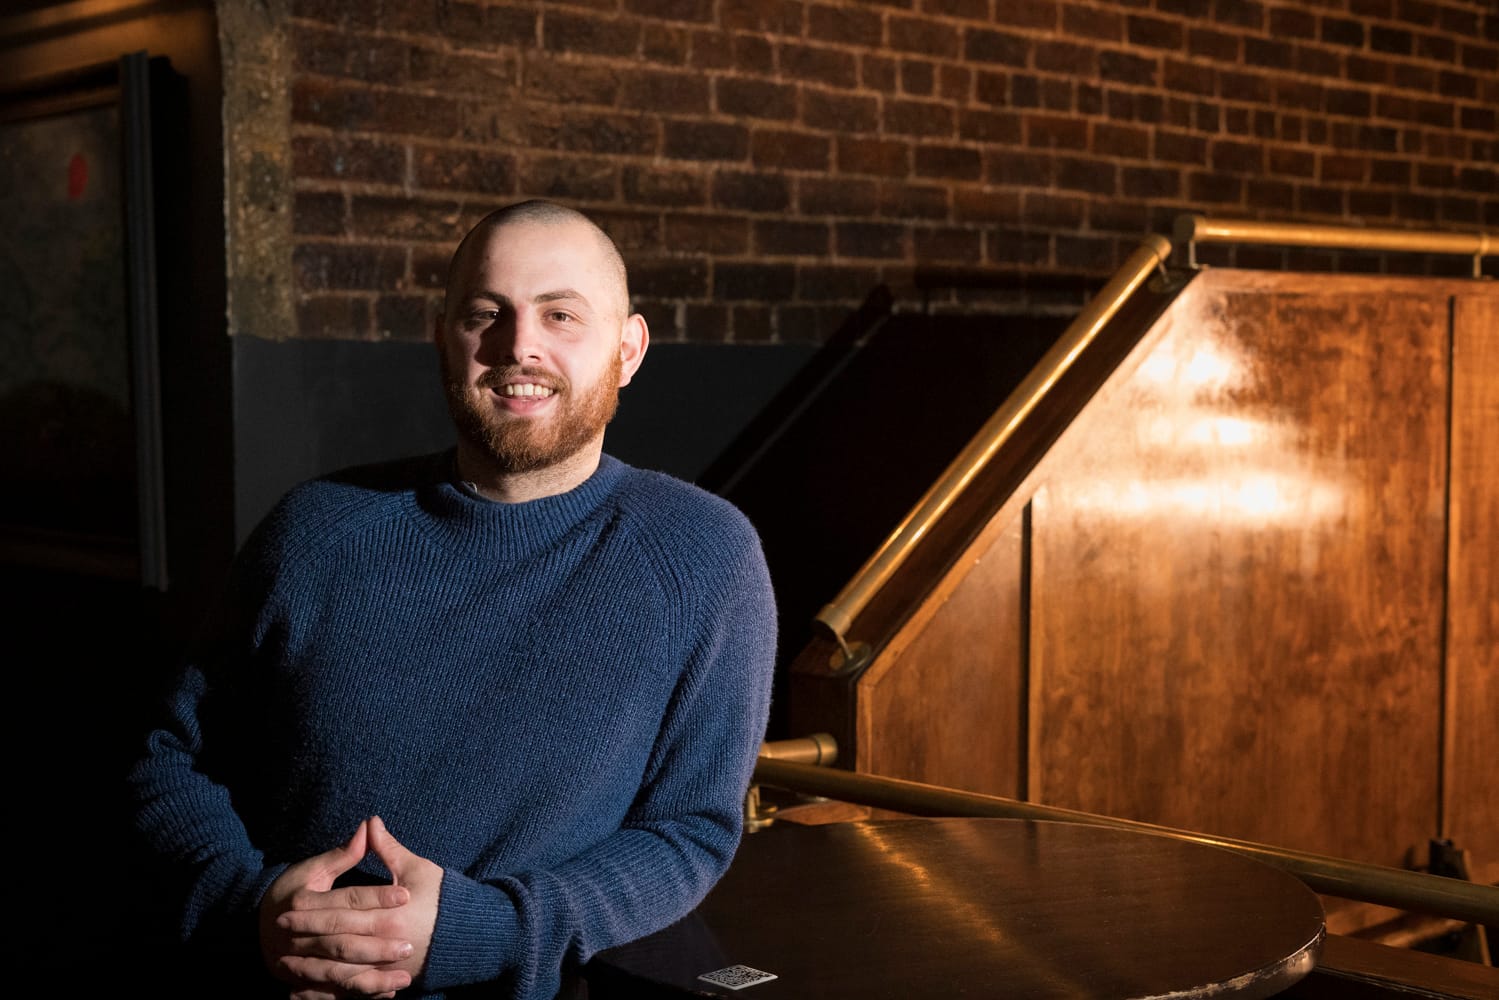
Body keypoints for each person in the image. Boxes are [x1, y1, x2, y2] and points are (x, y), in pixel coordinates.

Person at [127, 199, 778, 999]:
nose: (519, 346)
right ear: (444, 336)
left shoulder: (702, 555)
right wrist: (254, 907)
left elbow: (688, 832)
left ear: (627, 348)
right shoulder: (315, 529)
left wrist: (484, 930)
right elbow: (172, 761)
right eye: (485, 313)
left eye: (561, 315)